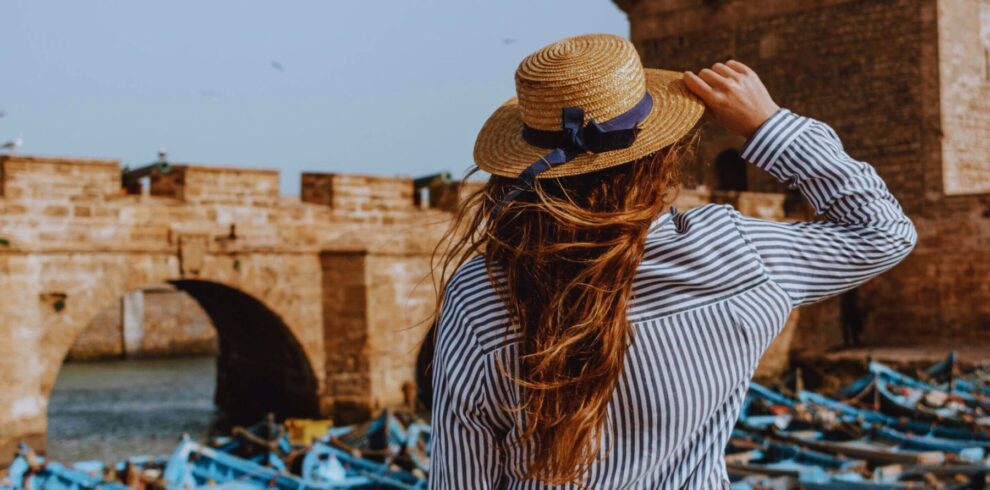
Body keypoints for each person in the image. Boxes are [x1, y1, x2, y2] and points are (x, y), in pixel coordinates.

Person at [428, 34, 916, 489]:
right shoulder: (731, 255)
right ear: (660, 152)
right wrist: (769, 125)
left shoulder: (482, 293)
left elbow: (459, 477)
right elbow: (881, 231)